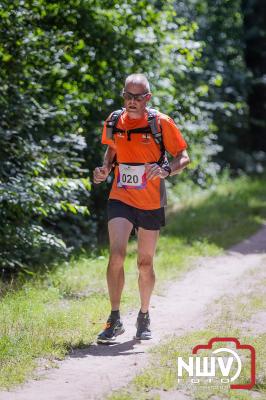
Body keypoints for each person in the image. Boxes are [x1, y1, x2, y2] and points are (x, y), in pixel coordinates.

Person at [93, 73, 190, 343]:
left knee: (145, 262)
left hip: (150, 200)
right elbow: (112, 150)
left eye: (138, 97)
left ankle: (144, 315)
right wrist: (105, 169)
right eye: (128, 96)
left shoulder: (160, 123)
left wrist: (166, 170)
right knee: (116, 255)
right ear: (123, 95)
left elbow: (183, 156)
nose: (132, 101)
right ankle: (114, 318)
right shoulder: (114, 121)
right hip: (121, 196)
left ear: (147, 98)